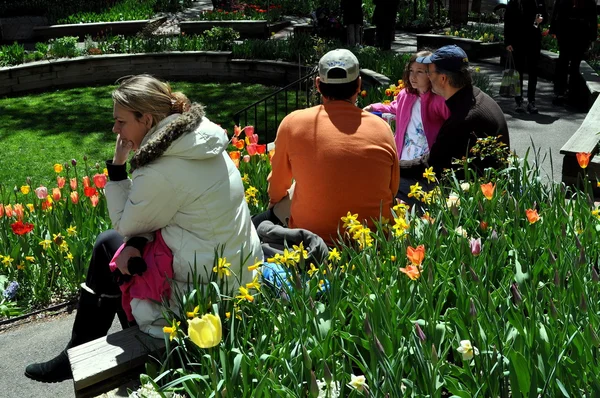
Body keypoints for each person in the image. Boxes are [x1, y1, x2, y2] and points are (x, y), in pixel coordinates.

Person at [24, 74, 263, 383]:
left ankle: (86, 353)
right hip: (238, 274)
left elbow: (125, 224)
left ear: (147, 119)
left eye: (121, 122)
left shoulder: (161, 170)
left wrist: (118, 165)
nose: (115, 130)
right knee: (121, 249)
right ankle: (83, 351)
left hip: (201, 295)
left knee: (109, 245)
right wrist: (138, 238)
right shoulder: (201, 138)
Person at [265, 49, 399, 245]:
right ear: (359, 85)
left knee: (290, 193)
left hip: (311, 240)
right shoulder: (381, 127)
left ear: (318, 85)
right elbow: (392, 188)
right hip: (372, 241)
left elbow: (277, 187)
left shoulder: (293, 123)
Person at [363, 50, 450, 206]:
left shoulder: (439, 100)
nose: (413, 76)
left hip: (426, 157)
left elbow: (452, 122)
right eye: (411, 71)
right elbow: (395, 107)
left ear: (431, 74)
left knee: (421, 198)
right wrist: (375, 107)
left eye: (419, 72)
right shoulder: (405, 95)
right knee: (401, 196)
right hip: (405, 153)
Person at [417, 45, 510, 176]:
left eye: (429, 73)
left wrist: (393, 163)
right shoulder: (478, 98)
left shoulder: (463, 119)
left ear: (443, 79)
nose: (428, 77)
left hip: (476, 191)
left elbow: (430, 165)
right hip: (487, 185)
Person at [550, 0, 598, 106]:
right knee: (563, 63)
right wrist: (553, 29)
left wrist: (592, 35)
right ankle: (560, 92)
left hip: (580, 34)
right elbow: (556, 10)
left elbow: (593, 16)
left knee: (574, 65)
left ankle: (571, 94)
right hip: (566, 33)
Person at [504, 0, 548, 114]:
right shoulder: (514, 3)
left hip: (533, 41)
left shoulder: (537, 2)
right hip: (518, 41)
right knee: (517, 72)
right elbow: (507, 22)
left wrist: (540, 20)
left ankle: (531, 101)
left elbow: (544, 17)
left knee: (533, 71)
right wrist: (508, 42)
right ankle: (518, 101)